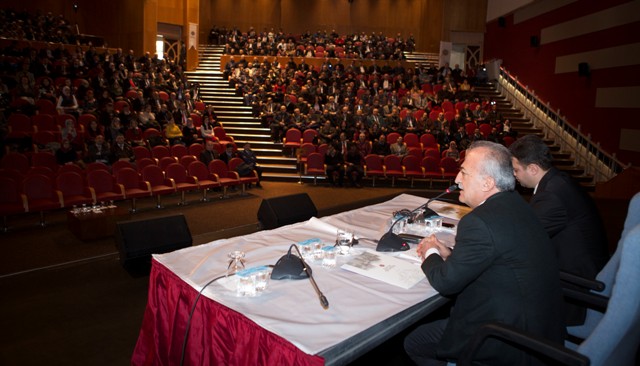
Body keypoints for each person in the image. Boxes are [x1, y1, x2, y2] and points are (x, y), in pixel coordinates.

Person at [405, 141, 565, 365]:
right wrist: (449, 253)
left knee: (414, 343)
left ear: (487, 183)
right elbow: (498, 257)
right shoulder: (518, 205)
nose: (457, 180)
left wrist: (430, 250)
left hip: (506, 340)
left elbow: (446, 282)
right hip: (540, 329)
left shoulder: (479, 221)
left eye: (463, 172)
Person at [509, 134, 609, 325]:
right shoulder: (557, 182)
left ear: (533, 168)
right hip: (577, 271)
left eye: (516, 170)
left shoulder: (552, 195)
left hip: (574, 289)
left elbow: (520, 239)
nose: (514, 175)